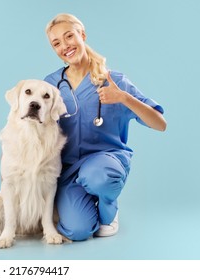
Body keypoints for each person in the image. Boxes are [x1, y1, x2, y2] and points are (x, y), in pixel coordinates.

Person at [43, 14, 167, 241]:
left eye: (69, 36)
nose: (65, 46)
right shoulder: (51, 85)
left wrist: (124, 98)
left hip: (105, 161)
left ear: (82, 35)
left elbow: (160, 124)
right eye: (57, 43)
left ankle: (108, 208)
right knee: (77, 231)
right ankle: (85, 201)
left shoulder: (114, 80)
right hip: (68, 170)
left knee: (99, 177)